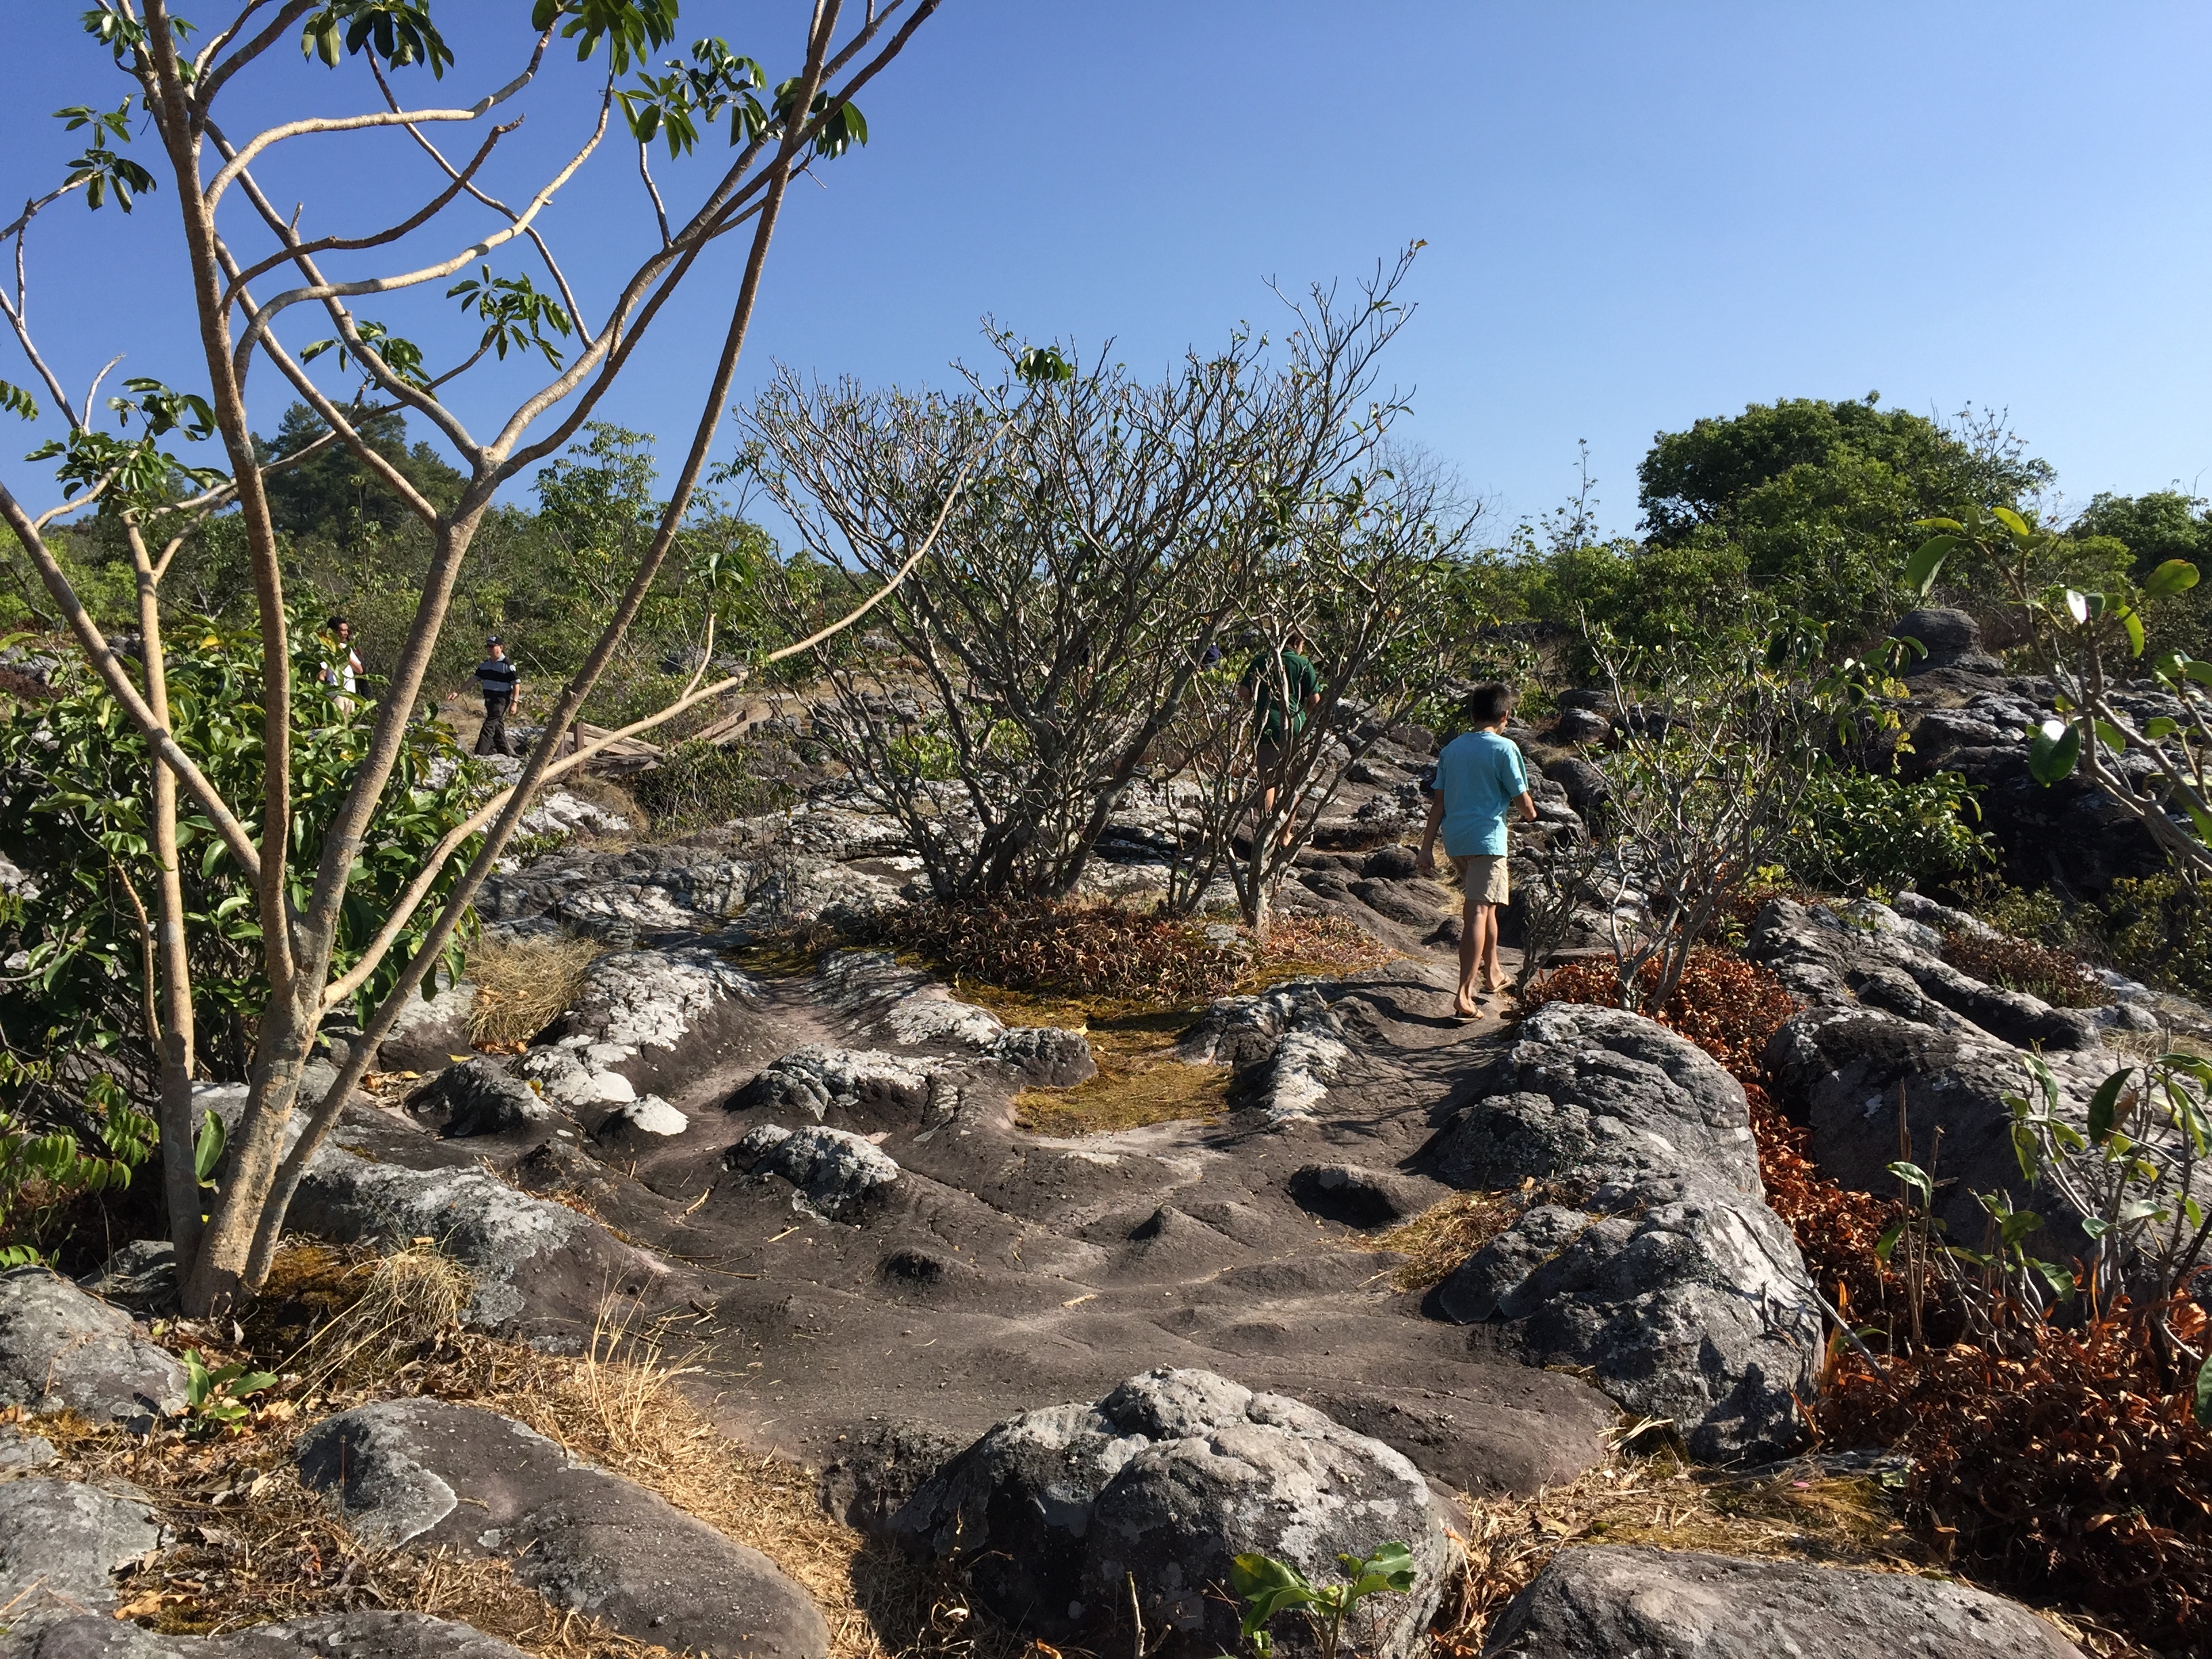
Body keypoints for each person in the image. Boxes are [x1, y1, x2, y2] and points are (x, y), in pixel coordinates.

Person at [1417, 682, 1538, 1018]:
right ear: (1505, 716)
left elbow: (1438, 804)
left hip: (1456, 840)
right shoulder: (1504, 748)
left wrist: (1426, 848)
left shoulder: (1452, 750)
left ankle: (1494, 972)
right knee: (1478, 912)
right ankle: (1463, 994)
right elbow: (1522, 799)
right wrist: (1530, 813)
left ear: (1472, 714)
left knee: (1489, 906)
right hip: (1487, 841)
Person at [1240, 628, 1322, 840]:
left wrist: (1256, 705)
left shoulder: (1261, 661)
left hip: (1267, 725)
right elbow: (1315, 702)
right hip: (1295, 726)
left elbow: (1243, 692)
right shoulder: (1303, 664)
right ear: (1296, 643)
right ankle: (1285, 834)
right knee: (1293, 783)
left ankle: (1265, 832)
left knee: (1267, 781)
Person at [474, 636, 520, 758]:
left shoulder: (507, 665)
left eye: (492, 646)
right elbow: (473, 680)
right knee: (497, 726)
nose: (489, 649)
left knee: (488, 726)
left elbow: (516, 684)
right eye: (488, 646)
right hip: (489, 699)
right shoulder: (484, 665)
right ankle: (506, 753)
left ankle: (479, 754)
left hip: (501, 700)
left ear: (501, 647)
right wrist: (458, 692)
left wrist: (514, 703)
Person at [319, 616, 362, 712]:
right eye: (343, 630)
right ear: (334, 632)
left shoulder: (347, 648)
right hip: (336, 695)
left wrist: (346, 656)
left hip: (350, 695)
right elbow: (322, 673)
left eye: (347, 630)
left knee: (349, 726)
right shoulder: (327, 649)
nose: (346, 633)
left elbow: (359, 670)